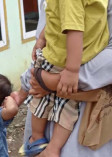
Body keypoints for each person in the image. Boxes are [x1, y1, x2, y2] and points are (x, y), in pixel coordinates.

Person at [17, 0, 112, 156]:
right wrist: (26, 86)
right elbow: (55, 21)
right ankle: (45, 144)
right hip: (60, 71)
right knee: (65, 109)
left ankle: (39, 140)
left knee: (46, 105)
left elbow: (73, 27)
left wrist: (55, 80)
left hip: (86, 103)